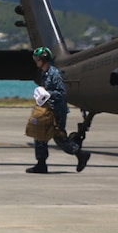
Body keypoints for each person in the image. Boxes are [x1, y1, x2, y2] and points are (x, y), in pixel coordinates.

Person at [28, 46, 90, 174]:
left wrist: (47, 93)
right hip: (47, 110)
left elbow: (61, 93)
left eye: (37, 59)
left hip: (57, 111)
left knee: (59, 138)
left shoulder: (54, 74)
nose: (36, 61)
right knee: (39, 135)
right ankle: (41, 164)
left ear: (44, 59)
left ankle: (80, 153)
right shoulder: (44, 73)